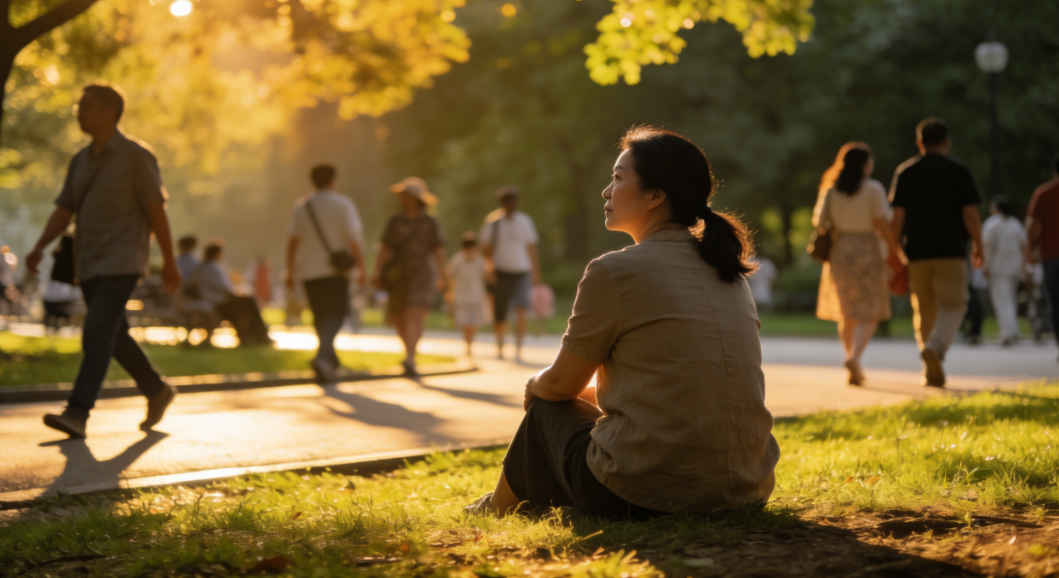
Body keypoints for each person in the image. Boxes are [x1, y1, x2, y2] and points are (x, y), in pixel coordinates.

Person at [465, 126, 779, 518]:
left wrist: (534, 384)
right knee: (577, 407)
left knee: (546, 407)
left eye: (617, 178)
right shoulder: (729, 272)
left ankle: (494, 508)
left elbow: (560, 385)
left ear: (655, 195)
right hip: (746, 488)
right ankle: (518, 502)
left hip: (646, 494)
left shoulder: (614, 271)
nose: (606, 191)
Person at [25, 84, 180, 439]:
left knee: (96, 331)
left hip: (123, 260)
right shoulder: (80, 161)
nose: (79, 112)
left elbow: (156, 210)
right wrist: (38, 247)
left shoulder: (136, 156)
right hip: (88, 262)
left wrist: (169, 261)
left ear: (110, 112)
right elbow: (64, 209)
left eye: (87, 106)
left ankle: (78, 412)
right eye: (78, 106)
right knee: (114, 335)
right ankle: (157, 390)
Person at [889, 118, 984, 387]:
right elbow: (970, 214)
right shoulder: (958, 170)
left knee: (925, 310)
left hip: (916, 254)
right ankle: (936, 347)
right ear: (946, 141)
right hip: (951, 252)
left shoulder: (905, 172)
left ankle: (929, 369)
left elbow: (897, 219)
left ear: (920, 142)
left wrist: (895, 252)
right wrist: (979, 245)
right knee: (954, 303)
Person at [813, 143, 902, 386]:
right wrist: (894, 252)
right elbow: (882, 223)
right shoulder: (873, 189)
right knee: (869, 310)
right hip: (868, 250)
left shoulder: (832, 190)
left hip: (841, 251)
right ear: (865, 164)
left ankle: (851, 359)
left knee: (847, 310)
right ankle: (854, 358)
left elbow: (820, 223)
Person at [286, 164, 366, 381]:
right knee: (336, 315)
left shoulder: (302, 206)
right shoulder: (343, 204)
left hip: (310, 271)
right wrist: (361, 268)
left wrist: (291, 271)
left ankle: (330, 360)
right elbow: (354, 241)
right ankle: (323, 356)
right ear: (333, 180)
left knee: (320, 316)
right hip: (336, 271)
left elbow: (293, 242)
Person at [371, 177, 447, 375]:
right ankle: (408, 351)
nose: (403, 198)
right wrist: (377, 271)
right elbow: (385, 248)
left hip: (422, 274)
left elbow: (437, 250)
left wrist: (443, 274)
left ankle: (410, 357)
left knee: (416, 314)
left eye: (407, 195)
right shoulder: (395, 221)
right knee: (399, 315)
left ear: (416, 198)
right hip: (397, 275)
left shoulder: (430, 222)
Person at [479, 186, 541, 361]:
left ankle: (518, 347)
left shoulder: (524, 221)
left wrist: (535, 270)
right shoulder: (493, 222)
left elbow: (531, 247)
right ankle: (500, 344)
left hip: (521, 271)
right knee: (500, 310)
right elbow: (485, 247)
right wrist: (489, 268)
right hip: (500, 271)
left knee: (521, 307)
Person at [190, 241, 272, 346]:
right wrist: (238, 295)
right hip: (219, 305)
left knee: (247, 303)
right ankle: (260, 335)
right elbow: (226, 289)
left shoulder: (203, 267)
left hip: (215, 303)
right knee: (249, 302)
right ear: (217, 254)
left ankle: (252, 335)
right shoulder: (213, 267)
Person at [1026, 152, 1059, 359]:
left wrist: (1030, 251)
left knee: (1056, 302)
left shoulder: (1043, 193)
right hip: (1050, 255)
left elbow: (1033, 225)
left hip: (1051, 255)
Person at [982, 196, 1027, 345]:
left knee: (1002, 301)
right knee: (1011, 299)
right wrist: (1024, 265)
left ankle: (1008, 332)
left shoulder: (992, 224)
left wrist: (985, 266)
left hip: (998, 267)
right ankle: (1012, 330)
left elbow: (988, 247)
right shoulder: (1015, 223)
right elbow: (1024, 245)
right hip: (1014, 267)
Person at [447, 232, 489, 356]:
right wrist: (450, 292)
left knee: (473, 323)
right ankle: (467, 344)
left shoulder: (480, 260)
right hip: (461, 297)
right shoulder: (457, 260)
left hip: (476, 297)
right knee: (465, 323)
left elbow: (487, 276)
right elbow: (450, 275)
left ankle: (470, 344)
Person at [0, 245, 17, 327]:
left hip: (6, 282)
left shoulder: (8, 258)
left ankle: (7, 318)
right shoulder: (9, 258)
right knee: (5, 301)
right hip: (5, 282)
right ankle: (5, 317)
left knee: (7, 300)